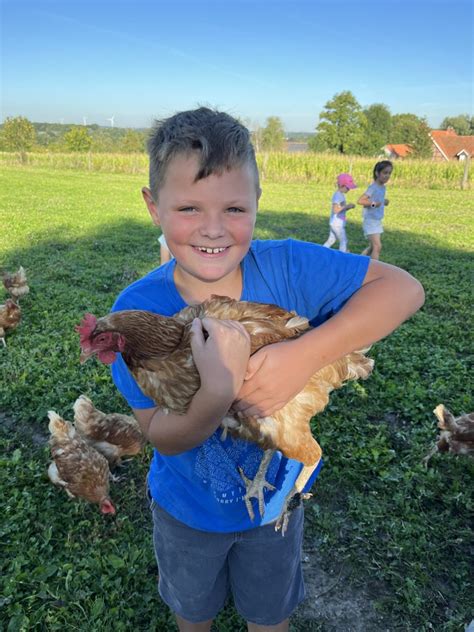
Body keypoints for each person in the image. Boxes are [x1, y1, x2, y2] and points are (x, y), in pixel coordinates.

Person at [110, 108, 424, 632]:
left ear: (258, 201)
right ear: (152, 206)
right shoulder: (135, 314)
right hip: (186, 511)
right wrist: (218, 391)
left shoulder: (286, 266)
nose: (213, 228)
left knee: (270, 614)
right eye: (188, 206)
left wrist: (302, 356)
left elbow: (405, 290)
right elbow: (162, 437)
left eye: (234, 207)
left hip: (274, 509)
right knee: (192, 613)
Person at [358, 160, 393, 259]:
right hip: (370, 221)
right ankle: (374, 268)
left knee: (372, 247)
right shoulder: (373, 187)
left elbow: (377, 200)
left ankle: (358, 261)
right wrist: (373, 204)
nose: (387, 175)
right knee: (377, 246)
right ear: (377, 173)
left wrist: (383, 202)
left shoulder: (382, 187)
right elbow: (361, 201)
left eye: (389, 173)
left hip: (377, 220)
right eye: (385, 173)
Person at [323, 173, 357, 253]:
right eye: (348, 187)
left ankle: (321, 252)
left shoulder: (340, 195)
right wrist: (346, 206)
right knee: (344, 241)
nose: (349, 189)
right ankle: (343, 256)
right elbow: (335, 210)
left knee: (331, 240)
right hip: (337, 224)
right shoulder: (338, 196)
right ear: (342, 185)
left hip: (334, 223)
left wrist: (348, 207)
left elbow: (340, 210)